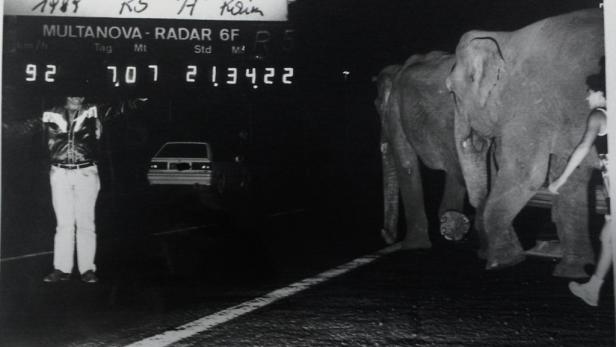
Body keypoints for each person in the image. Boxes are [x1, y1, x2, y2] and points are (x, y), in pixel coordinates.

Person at [548, 88, 609, 306]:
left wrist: (560, 179)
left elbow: (583, 147)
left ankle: (594, 288)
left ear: (602, 94)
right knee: (608, 238)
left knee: (609, 238)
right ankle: (593, 288)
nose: (586, 97)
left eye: (591, 93)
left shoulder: (598, 115)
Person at [42, 97, 102, 283]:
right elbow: (28, 126)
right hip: (59, 172)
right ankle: (61, 268)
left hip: (86, 171)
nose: (77, 97)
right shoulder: (51, 112)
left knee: (86, 222)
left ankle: (87, 269)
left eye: (81, 94)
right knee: (63, 224)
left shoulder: (92, 111)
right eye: (72, 94)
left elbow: (121, 107)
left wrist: (145, 95)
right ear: (65, 95)